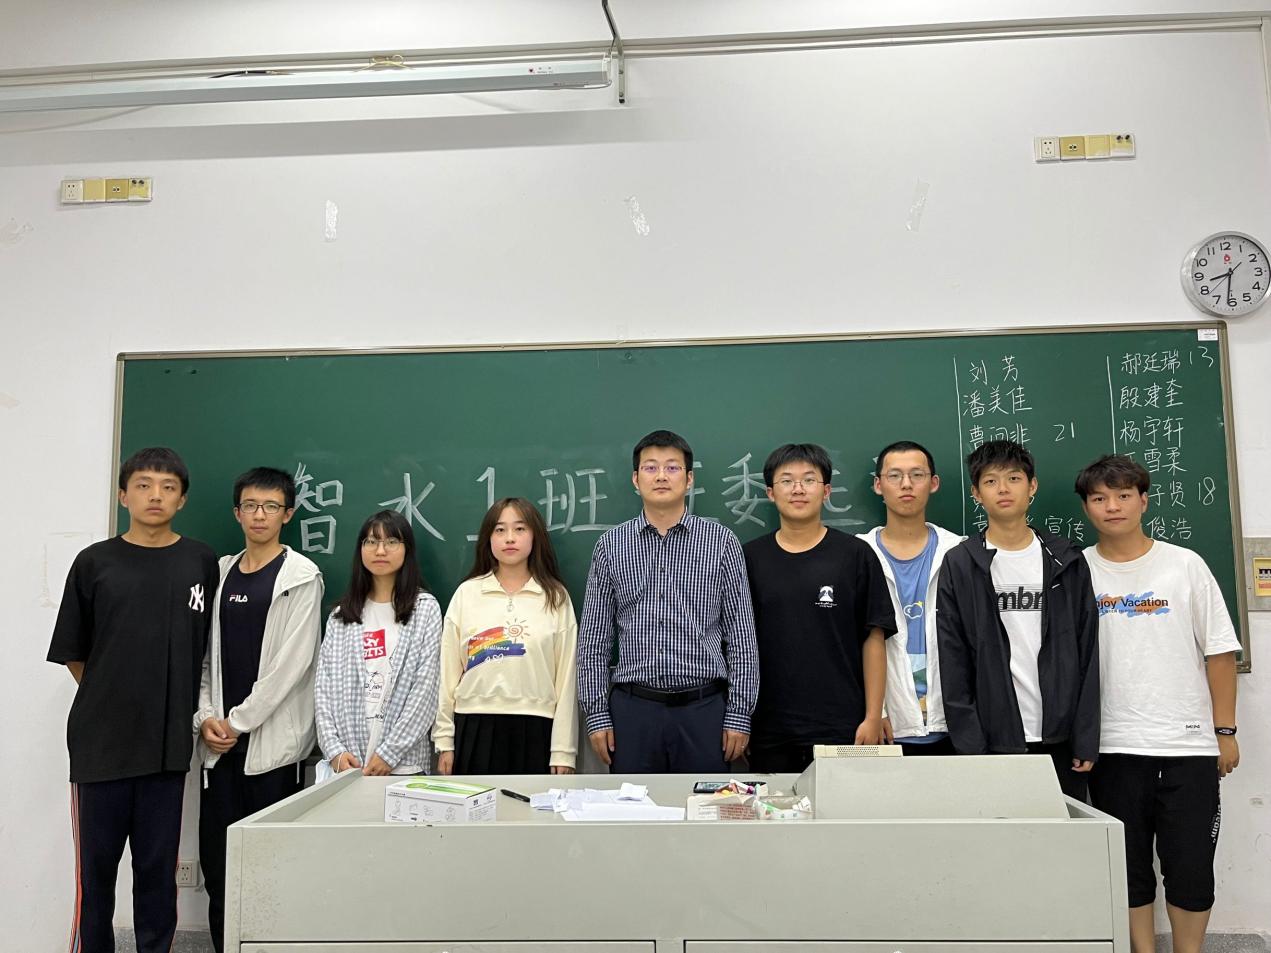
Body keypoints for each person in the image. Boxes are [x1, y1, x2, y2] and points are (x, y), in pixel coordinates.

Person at [47, 447, 219, 953]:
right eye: (143, 485)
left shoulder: (200, 561)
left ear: (182, 499)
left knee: (157, 875)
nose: (155, 496)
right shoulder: (94, 562)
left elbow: (207, 650)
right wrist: (114, 692)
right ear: (123, 495)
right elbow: (75, 653)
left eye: (168, 487)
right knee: (96, 876)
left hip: (166, 748)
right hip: (100, 747)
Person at [1076, 454, 1240, 953]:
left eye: (1124, 495)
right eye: (1100, 498)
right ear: (1086, 508)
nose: (1113, 506)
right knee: (1127, 869)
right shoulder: (1077, 571)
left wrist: (1225, 732)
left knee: (1190, 868)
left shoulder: (1184, 565)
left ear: (1144, 501)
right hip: (1112, 747)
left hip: (1186, 745)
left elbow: (1219, 651)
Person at [194, 467, 324, 953]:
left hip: (272, 750)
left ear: (288, 514)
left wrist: (238, 721)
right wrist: (205, 718)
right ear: (237, 512)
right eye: (250, 505)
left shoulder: (301, 577)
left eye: (271, 506)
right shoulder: (220, 573)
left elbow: (291, 665)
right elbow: (204, 658)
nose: (260, 515)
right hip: (219, 749)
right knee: (219, 866)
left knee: (269, 869)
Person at [577, 429, 759, 773]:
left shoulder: (721, 543)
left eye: (672, 467)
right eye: (651, 467)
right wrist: (597, 713)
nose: (661, 476)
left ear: (689, 479)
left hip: (705, 710)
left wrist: (739, 713)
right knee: (633, 806)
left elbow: (741, 636)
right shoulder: (611, 546)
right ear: (635, 479)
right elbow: (594, 640)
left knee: (705, 805)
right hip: (632, 711)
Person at [935, 439, 1099, 799]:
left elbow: (1088, 650)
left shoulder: (1066, 559)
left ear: (1032, 486)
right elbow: (953, 657)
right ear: (976, 493)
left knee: (1064, 834)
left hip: (1061, 739)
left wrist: (1085, 737)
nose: (1003, 489)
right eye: (990, 481)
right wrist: (970, 746)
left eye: (1013, 478)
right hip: (993, 740)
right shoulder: (961, 563)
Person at [744, 443, 896, 772]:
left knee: (842, 806)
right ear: (770, 493)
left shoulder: (855, 555)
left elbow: (874, 637)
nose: (798, 489)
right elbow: (737, 644)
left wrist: (874, 715)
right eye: (787, 481)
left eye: (809, 480)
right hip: (769, 728)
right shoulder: (749, 559)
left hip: (843, 726)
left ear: (826, 491)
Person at [435, 498, 578, 775]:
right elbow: (447, 674)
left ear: (535, 536)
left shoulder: (555, 597)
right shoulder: (467, 594)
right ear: (488, 538)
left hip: (537, 727)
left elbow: (567, 679)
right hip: (474, 725)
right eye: (499, 530)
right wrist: (444, 740)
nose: (509, 538)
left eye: (520, 529)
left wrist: (563, 750)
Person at [314, 510, 442, 777]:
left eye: (391, 542)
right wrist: (334, 751)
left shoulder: (424, 609)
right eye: (371, 542)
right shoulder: (341, 616)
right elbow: (323, 689)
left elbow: (426, 689)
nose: (380, 550)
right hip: (348, 765)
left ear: (407, 549)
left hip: (403, 765)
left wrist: (389, 753)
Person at [859, 440, 964, 755]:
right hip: (885, 726)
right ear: (878, 485)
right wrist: (875, 711)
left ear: (933, 483)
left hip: (953, 724)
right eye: (895, 476)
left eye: (917, 475)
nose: (906, 484)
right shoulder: (857, 554)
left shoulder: (959, 551)